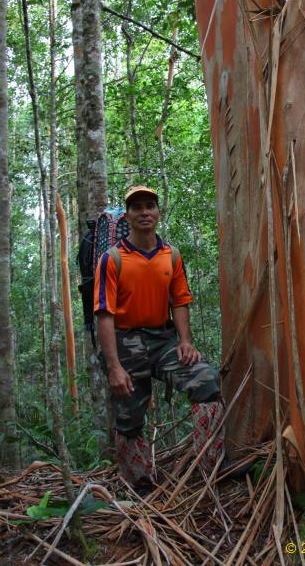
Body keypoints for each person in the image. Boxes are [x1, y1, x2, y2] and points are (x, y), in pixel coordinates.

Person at [94, 185, 224, 492]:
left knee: (205, 382)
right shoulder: (112, 259)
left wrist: (186, 341)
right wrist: (113, 366)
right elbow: (105, 314)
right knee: (129, 418)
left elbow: (179, 301)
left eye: (149, 206)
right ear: (127, 215)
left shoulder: (171, 256)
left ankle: (211, 469)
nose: (144, 212)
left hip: (163, 340)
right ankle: (139, 484)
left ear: (158, 212)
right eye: (137, 207)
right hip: (125, 343)